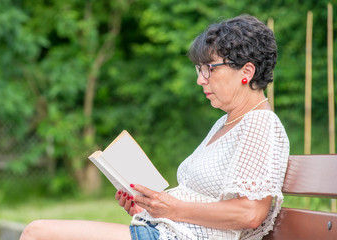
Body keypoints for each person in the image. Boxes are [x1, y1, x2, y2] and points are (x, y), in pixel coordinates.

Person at [19, 14, 289, 240]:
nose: (200, 80)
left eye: (209, 69)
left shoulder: (260, 123)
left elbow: (250, 214)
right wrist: (148, 207)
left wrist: (171, 209)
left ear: (247, 72)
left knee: (37, 233)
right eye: (198, 69)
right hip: (166, 231)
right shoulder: (226, 122)